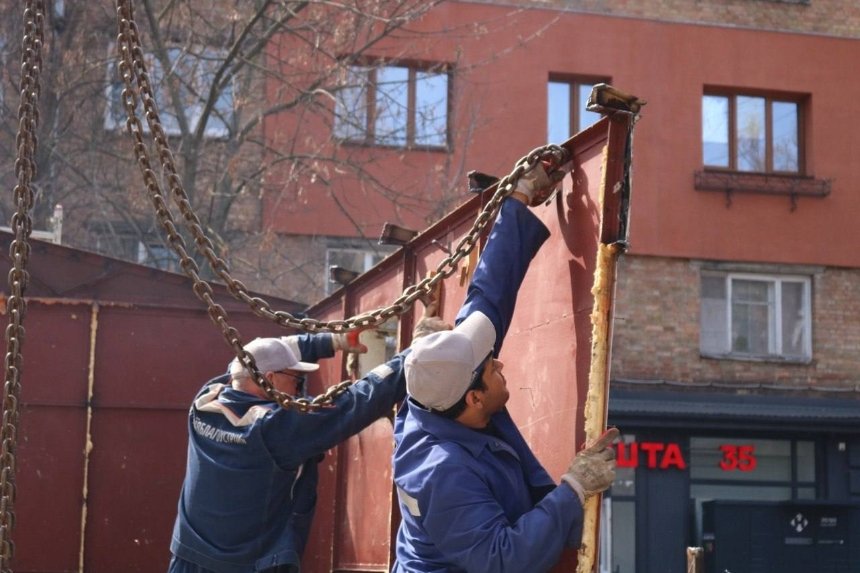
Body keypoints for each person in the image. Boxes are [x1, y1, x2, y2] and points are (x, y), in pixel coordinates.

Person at [392, 162, 619, 572]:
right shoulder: (444, 471)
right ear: (475, 398)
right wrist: (573, 488)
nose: (498, 360)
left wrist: (517, 200)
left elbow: (486, 300)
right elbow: (503, 560)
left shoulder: (433, 399)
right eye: (490, 364)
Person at [168, 330, 404, 573]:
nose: (299, 390)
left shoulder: (205, 401)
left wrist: (333, 341)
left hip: (187, 556)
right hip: (251, 566)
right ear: (268, 378)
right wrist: (414, 357)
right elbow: (357, 402)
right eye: (296, 380)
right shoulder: (274, 429)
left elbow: (245, 359)